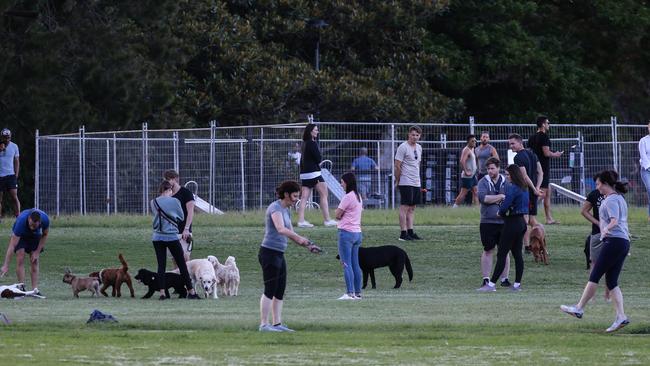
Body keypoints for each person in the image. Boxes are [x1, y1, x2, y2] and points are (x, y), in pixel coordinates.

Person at [561, 170, 631, 333]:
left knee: (595, 275)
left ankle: (579, 308)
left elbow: (614, 221)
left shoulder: (612, 200)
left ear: (606, 184)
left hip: (615, 241)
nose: (597, 187)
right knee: (612, 281)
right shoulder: (618, 198)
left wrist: (605, 229)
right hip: (622, 242)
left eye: (599, 184)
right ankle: (621, 316)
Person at [259, 180, 321, 332]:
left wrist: (308, 245)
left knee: (280, 290)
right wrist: (300, 239)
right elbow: (281, 229)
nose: (296, 199)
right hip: (269, 253)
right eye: (294, 196)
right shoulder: (275, 208)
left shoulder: (286, 210)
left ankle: (277, 324)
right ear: (286, 194)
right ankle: (264, 324)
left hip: (279, 254)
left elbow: (292, 234)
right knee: (270, 288)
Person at [478, 164, 528, 292]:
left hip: (511, 223)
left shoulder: (512, 188)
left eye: (508, 174)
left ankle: (491, 284)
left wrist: (500, 212)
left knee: (502, 254)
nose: (506, 177)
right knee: (517, 254)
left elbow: (505, 206)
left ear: (513, 175)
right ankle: (517, 285)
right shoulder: (524, 188)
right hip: (522, 222)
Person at [150, 180, 199, 300]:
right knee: (182, 264)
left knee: (161, 265)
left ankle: (162, 293)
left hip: (157, 237)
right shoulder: (175, 201)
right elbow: (181, 216)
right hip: (171, 236)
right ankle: (191, 291)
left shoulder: (153, 202)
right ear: (169, 190)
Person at [476, 157, 511, 288]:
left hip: (504, 222)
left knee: (504, 251)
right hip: (487, 222)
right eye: (488, 169)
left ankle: (504, 279)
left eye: (492, 168)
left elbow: (510, 199)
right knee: (488, 250)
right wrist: (501, 197)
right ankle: (486, 278)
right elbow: (483, 198)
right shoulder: (482, 182)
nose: (490, 171)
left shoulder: (506, 181)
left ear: (498, 168)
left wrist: (496, 198)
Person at [0, 209, 50, 295]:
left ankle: (35, 290)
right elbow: (12, 245)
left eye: (34, 226)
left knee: (34, 261)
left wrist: (37, 252)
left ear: (40, 223)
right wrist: (6, 265)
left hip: (35, 236)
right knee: (20, 257)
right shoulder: (21, 222)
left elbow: (45, 235)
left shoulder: (45, 220)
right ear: (29, 219)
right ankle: (21, 287)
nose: (32, 227)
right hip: (21, 236)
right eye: (31, 225)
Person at [297, 124, 337, 228]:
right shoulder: (312, 143)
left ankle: (301, 221)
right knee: (324, 194)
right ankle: (327, 220)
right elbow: (319, 158)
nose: (317, 132)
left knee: (304, 198)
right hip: (314, 173)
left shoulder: (304, 143)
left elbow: (303, 160)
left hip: (304, 174)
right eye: (315, 130)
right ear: (311, 132)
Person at [509, 133, 543, 250]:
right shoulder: (533, 154)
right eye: (510, 144)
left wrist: (534, 189)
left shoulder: (518, 157)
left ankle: (528, 245)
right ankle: (540, 242)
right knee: (532, 220)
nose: (511, 146)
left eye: (513, 143)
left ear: (520, 142)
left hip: (526, 192)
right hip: (533, 192)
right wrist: (537, 188)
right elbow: (540, 173)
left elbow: (524, 176)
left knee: (525, 220)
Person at [527, 117, 563, 224]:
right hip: (543, 168)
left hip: (534, 167)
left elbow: (530, 152)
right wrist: (556, 154)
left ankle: (549, 218)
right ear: (543, 124)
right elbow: (546, 153)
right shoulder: (544, 137)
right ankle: (527, 212)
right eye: (548, 123)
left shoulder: (532, 137)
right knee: (541, 193)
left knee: (548, 192)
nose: (549, 124)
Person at [335, 172, 363, 300]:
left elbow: (337, 214)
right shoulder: (358, 196)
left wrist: (338, 213)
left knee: (346, 264)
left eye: (342, 182)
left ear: (347, 182)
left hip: (346, 233)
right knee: (355, 264)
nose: (341, 184)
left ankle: (349, 293)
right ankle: (357, 293)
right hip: (357, 233)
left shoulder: (347, 197)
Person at [395, 126, 423, 241]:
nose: (414, 137)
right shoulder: (403, 147)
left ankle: (410, 232)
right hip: (405, 181)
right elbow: (397, 165)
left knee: (412, 208)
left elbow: (417, 164)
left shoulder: (419, 147)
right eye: (413, 134)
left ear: (419, 136)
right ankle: (403, 233)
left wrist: (418, 179)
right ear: (409, 135)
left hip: (416, 181)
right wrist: (398, 181)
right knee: (404, 207)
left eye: (417, 135)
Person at [581, 185, 608, 300]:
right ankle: (591, 295)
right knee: (594, 263)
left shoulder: (615, 195)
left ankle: (608, 294)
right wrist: (598, 223)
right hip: (597, 233)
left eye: (599, 183)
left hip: (613, 233)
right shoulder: (594, 194)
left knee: (609, 265)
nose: (598, 186)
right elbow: (584, 211)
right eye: (597, 184)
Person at [163, 170, 195, 265]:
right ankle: (177, 279)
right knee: (175, 261)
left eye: (168, 180)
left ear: (174, 179)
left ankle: (186, 279)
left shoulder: (186, 193)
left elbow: (190, 212)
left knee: (185, 261)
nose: (166, 183)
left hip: (183, 232)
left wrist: (186, 229)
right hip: (171, 232)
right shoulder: (167, 194)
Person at [0, 128, 21, 218]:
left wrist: (16, 174)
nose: (6, 139)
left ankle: (18, 217)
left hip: (11, 175)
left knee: (14, 197)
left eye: (8, 137)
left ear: (10, 137)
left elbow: (16, 161)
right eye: (5, 137)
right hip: (0, 176)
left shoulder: (14, 146)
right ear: (2, 137)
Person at [453, 135, 479, 207]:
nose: (474, 142)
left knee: (476, 192)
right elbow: (462, 161)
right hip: (467, 177)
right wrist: (466, 171)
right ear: (468, 142)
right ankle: (454, 207)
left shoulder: (472, 149)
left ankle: (477, 209)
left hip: (473, 175)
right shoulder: (466, 150)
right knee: (463, 193)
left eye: (475, 141)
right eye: (472, 141)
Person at [638, 121, 650, 222]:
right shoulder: (643, 140)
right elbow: (643, 156)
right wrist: (648, 167)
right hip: (646, 170)